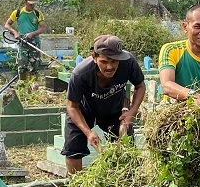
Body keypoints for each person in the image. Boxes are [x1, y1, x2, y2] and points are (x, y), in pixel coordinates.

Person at [62, 35, 146, 174]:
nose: (110, 67)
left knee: (125, 147)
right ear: (94, 57)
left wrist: (132, 112)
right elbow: (72, 106)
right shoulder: (80, 73)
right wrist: (88, 132)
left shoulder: (129, 62)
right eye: (104, 61)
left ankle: (124, 181)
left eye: (114, 62)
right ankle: (75, 185)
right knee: (73, 148)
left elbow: (140, 86)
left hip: (114, 108)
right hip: (84, 110)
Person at [4, 0, 47, 80]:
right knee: (22, 67)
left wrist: (32, 34)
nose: (32, 5)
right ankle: (22, 85)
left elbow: (43, 28)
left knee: (35, 66)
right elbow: (7, 25)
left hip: (34, 43)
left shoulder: (37, 13)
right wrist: (15, 32)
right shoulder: (17, 13)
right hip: (22, 43)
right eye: (30, 3)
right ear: (25, 2)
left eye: (34, 3)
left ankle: (34, 85)